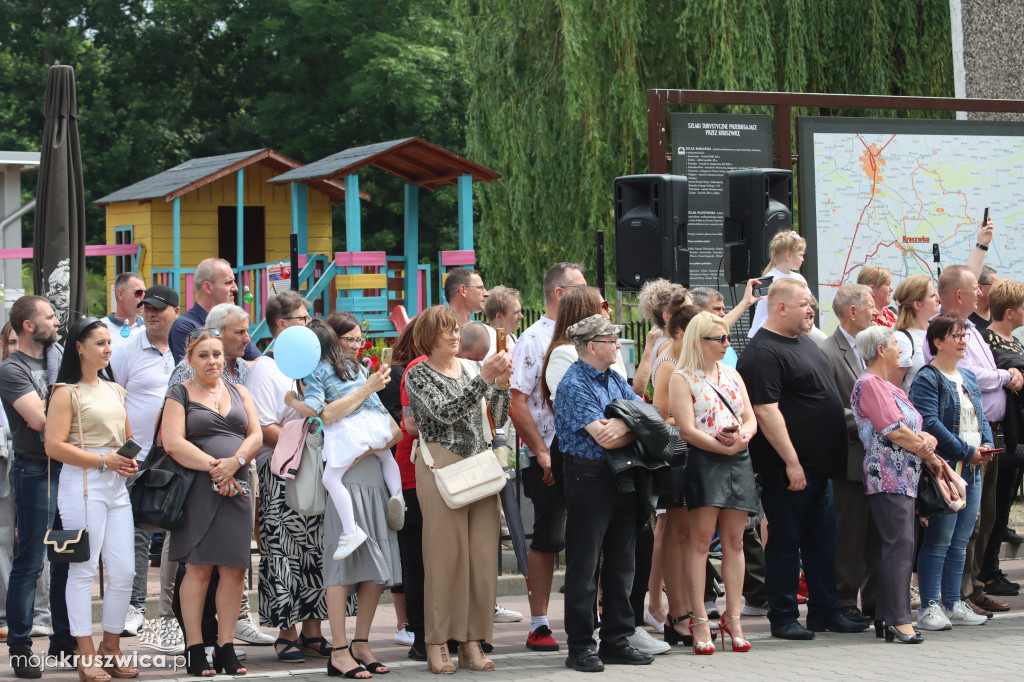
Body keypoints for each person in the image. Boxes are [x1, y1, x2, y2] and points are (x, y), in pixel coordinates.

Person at [736, 278, 865, 640]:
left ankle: (825, 612)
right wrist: (791, 461)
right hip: (788, 471)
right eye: (805, 304)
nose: (812, 310)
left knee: (822, 544)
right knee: (785, 544)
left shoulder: (805, 343)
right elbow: (766, 411)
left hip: (819, 470)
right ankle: (783, 616)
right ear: (781, 308)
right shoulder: (763, 352)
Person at [540, 288, 665, 657]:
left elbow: (648, 416)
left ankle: (616, 638)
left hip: (621, 475)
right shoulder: (573, 384)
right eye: (612, 339)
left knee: (622, 560)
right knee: (585, 562)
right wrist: (634, 424)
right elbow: (605, 437)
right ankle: (580, 645)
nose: (617, 345)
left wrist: (630, 424)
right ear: (592, 345)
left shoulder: (613, 378)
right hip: (589, 475)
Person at [406, 305, 512, 674]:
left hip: (479, 466)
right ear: (427, 337)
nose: (455, 335)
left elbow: (495, 419)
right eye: (446, 330)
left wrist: (501, 386)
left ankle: (472, 639)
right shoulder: (418, 374)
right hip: (441, 465)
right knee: (444, 558)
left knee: (481, 560)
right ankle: (437, 641)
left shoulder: (470, 368)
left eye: (456, 329)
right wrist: (484, 378)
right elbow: (444, 412)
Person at [166, 303, 270, 645]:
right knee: (198, 568)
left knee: (234, 569)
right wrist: (217, 469)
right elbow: (172, 443)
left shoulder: (240, 391)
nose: (212, 361)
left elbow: (255, 435)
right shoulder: (179, 393)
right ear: (190, 360)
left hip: (238, 485)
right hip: (199, 487)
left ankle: (225, 645)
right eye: (203, 355)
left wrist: (234, 462)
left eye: (216, 354)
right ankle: (196, 647)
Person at [45, 317, 140, 681]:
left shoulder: (115, 389)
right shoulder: (65, 392)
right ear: (78, 347)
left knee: (124, 571)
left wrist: (127, 460)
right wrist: (104, 459)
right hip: (82, 484)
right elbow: (53, 446)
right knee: (82, 570)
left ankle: (111, 646)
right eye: (99, 343)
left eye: (108, 343)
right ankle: (85, 651)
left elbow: (127, 436)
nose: (107, 349)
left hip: (115, 485)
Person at [925, 265, 1022, 617]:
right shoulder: (934, 359)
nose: (982, 294)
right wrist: (1004, 376)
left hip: (983, 446)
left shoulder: (970, 334)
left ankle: (961, 595)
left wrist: (983, 442)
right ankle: (941, 600)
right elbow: (936, 415)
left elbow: (977, 402)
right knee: (946, 534)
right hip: (958, 454)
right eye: (975, 289)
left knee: (975, 525)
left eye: (964, 338)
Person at [315, 311, 402, 680]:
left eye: (358, 340)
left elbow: (394, 432)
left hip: (373, 477)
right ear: (332, 340)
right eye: (349, 340)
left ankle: (361, 642)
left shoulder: (358, 374)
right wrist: (368, 388)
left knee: (376, 567)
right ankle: (338, 648)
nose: (356, 346)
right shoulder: (318, 372)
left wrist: (367, 447)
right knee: (342, 566)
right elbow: (323, 415)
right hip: (344, 483)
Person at [245, 291, 331, 663]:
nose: (309, 325)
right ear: (282, 325)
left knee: (315, 550)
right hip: (282, 470)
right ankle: (286, 631)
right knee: (283, 551)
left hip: (314, 468)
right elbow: (264, 427)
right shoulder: (266, 368)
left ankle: (314, 629)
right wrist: (304, 445)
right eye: (302, 319)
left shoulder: (312, 363)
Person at [669, 312, 758, 654]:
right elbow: (687, 430)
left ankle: (733, 618)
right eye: (719, 339)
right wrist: (720, 443)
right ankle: (700, 620)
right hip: (705, 459)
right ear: (699, 341)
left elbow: (749, 417)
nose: (726, 344)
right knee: (701, 540)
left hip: (737, 457)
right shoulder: (682, 377)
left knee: (735, 541)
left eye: (727, 338)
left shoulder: (732, 374)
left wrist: (742, 438)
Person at [509, 262, 586, 652]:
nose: (591, 297)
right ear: (560, 293)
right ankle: (539, 622)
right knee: (548, 535)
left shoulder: (587, 336)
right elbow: (517, 403)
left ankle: (590, 615)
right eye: (582, 288)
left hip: (586, 453)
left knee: (589, 534)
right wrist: (541, 452)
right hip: (550, 451)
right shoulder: (533, 339)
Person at [0, 295, 76, 679]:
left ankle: (65, 642)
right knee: (30, 562)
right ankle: (20, 648)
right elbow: (43, 421)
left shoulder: (61, 358)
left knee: (68, 558)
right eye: (49, 316)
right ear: (29, 325)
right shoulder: (12, 369)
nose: (56, 321)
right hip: (36, 471)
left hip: (69, 470)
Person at [850, 325, 941, 643]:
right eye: (893, 344)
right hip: (888, 476)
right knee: (899, 546)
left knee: (901, 546)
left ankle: (888, 616)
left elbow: (913, 425)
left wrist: (927, 439)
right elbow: (893, 429)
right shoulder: (871, 384)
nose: (899, 349)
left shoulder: (889, 386)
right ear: (879, 350)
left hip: (904, 477)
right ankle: (898, 618)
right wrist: (924, 445)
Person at [285, 319, 404, 558]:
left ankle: (350, 531)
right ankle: (398, 495)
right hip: (376, 423)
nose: (355, 344)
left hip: (350, 430)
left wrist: (292, 402)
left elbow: (316, 409)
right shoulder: (355, 366)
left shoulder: (315, 372)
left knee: (330, 478)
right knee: (386, 458)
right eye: (349, 339)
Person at [909, 313, 994, 629]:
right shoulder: (927, 378)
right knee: (940, 539)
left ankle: (953, 601)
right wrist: (965, 450)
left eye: (964, 336)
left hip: (972, 469)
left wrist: (985, 444)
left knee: (961, 539)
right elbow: (929, 422)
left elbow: (981, 417)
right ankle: (929, 607)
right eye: (956, 336)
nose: (963, 341)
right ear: (937, 342)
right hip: (946, 469)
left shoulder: (968, 377)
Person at [109, 284, 180, 639]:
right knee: (135, 532)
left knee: (179, 532)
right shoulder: (125, 350)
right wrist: (124, 448)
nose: (150, 313)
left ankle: (177, 611)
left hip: (180, 456)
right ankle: (135, 606)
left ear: (175, 312)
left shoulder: (188, 349)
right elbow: (113, 398)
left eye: (158, 308)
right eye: (145, 307)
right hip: (138, 458)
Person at [818, 284, 880, 627]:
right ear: (852, 311)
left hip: (881, 461)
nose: (876, 311)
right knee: (850, 536)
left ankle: (876, 601)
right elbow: (830, 407)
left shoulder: (873, 347)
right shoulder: (828, 351)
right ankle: (844, 601)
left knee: (877, 535)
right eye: (870, 306)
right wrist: (878, 420)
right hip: (852, 458)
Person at [978, 279, 1024, 598]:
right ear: (1009, 312)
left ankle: (993, 568)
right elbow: (1000, 373)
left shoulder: (1015, 340)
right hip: (1000, 432)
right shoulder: (988, 339)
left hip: (1017, 431)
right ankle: (986, 572)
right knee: (994, 504)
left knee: (1005, 504)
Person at [169, 258, 261, 364]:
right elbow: (192, 371)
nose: (235, 288)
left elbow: (260, 363)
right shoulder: (184, 326)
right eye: (228, 283)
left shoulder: (233, 321)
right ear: (208, 287)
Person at [748, 230, 810, 338]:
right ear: (789, 255)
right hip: (774, 333)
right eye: (801, 255)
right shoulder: (767, 279)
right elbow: (762, 313)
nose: (803, 259)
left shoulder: (800, 278)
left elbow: (810, 304)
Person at [632, 279, 689, 395]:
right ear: (667, 317)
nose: (693, 314)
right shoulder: (669, 345)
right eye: (686, 310)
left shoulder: (660, 341)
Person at [890, 274, 942, 393]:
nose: (938, 298)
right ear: (917, 305)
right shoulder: (902, 340)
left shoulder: (936, 332)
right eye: (933, 295)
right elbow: (893, 391)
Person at [102, 272, 146, 349]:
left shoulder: (148, 327)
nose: (143, 297)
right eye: (138, 292)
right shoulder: (101, 328)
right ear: (120, 294)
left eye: (145, 293)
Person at [482, 285, 523, 360]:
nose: (521, 316)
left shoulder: (512, 338)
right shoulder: (485, 344)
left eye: (520, 311)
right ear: (499, 316)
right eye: (515, 313)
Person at [970, 266, 998, 331]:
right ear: (980, 288)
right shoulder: (965, 320)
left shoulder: (999, 316)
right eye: (996, 286)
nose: (999, 290)